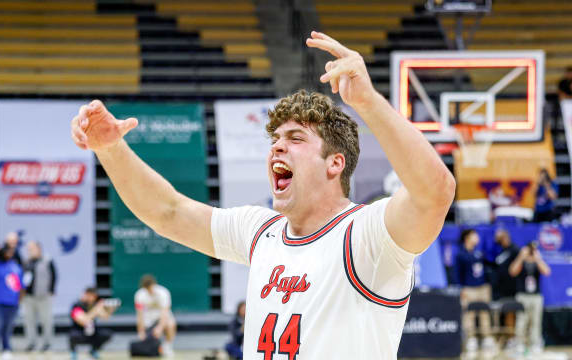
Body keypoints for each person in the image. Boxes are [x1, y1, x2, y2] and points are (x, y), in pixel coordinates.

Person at [70, 31, 455, 358]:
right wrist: (109, 148)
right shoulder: (261, 230)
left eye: (295, 138)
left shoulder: (366, 236)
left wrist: (368, 102)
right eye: (274, 139)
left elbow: (435, 193)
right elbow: (167, 212)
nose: (276, 148)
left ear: (334, 163)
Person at [454, 229, 495, 354]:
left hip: (482, 287)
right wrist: (461, 288)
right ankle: (471, 338)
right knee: (469, 315)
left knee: (484, 313)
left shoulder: (479, 253)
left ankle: (486, 337)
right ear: (467, 238)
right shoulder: (460, 255)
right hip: (468, 288)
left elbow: (491, 263)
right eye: (474, 235)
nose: (477, 237)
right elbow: (457, 273)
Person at [509, 241, 551, 354]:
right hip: (523, 295)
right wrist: (521, 257)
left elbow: (547, 271)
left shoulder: (537, 261)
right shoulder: (521, 260)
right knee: (521, 320)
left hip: (536, 296)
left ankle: (535, 343)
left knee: (536, 321)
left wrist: (538, 259)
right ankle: (520, 343)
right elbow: (512, 271)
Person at [0, 243, 24, 360]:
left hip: (12, 303)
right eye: (7, 251)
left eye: (11, 251)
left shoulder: (15, 267)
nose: (9, 253)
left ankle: (7, 349)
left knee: (8, 328)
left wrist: (18, 301)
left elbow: (21, 287)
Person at [22, 241, 57, 352]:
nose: (30, 251)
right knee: (29, 321)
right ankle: (31, 343)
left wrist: (51, 290)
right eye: (28, 249)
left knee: (46, 321)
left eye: (32, 248)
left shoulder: (47, 260)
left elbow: (54, 275)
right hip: (29, 297)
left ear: (39, 248)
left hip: (43, 296)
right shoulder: (27, 261)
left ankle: (47, 343)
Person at [134, 274, 176, 357]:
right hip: (148, 319)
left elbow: (165, 312)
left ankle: (168, 346)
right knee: (146, 337)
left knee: (171, 324)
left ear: (154, 284)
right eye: (147, 289)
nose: (150, 290)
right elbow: (139, 314)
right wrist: (141, 331)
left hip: (162, 317)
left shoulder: (164, 292)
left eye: (151, 288)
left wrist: (160, 328)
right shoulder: (139, 295)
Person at [69, 288, 115, 360]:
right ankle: (73, 352)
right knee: (73, 335)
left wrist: (111, 308)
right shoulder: (77, 305)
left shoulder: (94, 305)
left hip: (92, 332)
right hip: (79, 333)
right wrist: (96, 309)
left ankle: (93, 350)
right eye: (92, 296)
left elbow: (105, 317)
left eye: (94, 297)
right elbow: (84, 321)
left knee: (107, 333)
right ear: (86, 295)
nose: (93, 299)